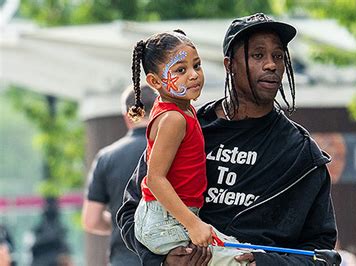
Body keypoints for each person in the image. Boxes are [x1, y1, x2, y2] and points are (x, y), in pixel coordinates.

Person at [117, 13, 337, 266]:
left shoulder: (301, 154)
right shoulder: (187, 125)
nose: (271, 65)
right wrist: (163, 261)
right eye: (257, 55)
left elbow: (320, 251)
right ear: (229, 65)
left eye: (278, 56)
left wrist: (265, 263)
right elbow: (133, 209)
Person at [127, 29, 251, 265]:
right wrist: (193, 224)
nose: (194, 75)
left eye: (197, 65)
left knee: (240, 250)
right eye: (180, 70)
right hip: (163, 222)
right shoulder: (174, 119)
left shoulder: (182, 108)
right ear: (154, 81)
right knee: (241, 260)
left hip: (172, 218)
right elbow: (154, 179)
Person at [82, 85, 157, 265]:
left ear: (127, 116)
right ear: (157, 110)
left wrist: (122, 223)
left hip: (123, 260)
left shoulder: (106, 158)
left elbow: (91, 220)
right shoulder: (175, 151)